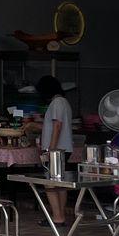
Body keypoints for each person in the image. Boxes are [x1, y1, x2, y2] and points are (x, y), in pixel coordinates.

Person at [34, 75, 74, 224]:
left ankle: (57, 217)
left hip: (56, 150)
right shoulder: (64, 102)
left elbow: (57, 126)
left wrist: (51, 149)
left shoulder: (56, 102)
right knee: (60, 183)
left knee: (50, 183)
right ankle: (60, 215)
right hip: (64, 148)